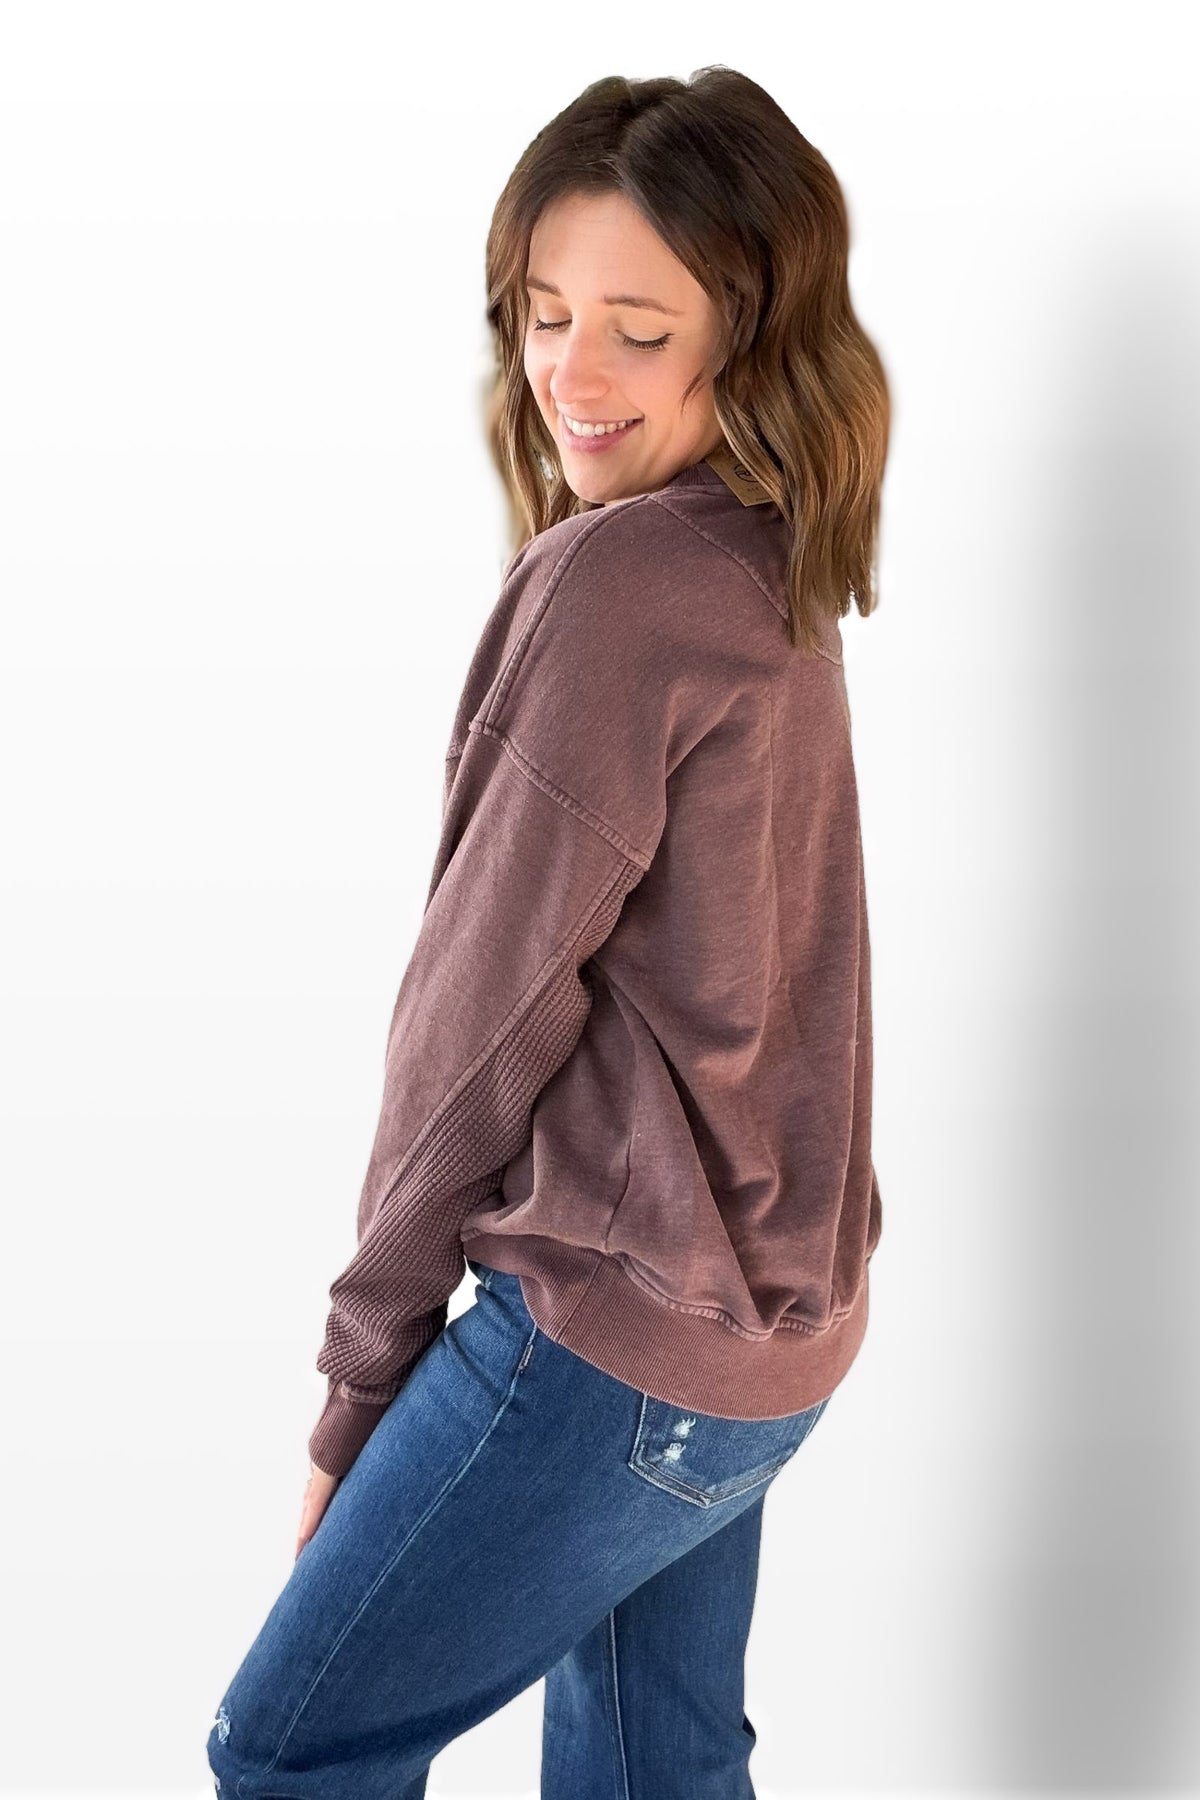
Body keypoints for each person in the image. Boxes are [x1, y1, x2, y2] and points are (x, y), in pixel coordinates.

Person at [207, 63, 890, 1800]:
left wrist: (358, 1397)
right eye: (542, 313)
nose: (571, 378)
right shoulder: (766, 566)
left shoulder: (613, 588)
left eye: (638, 334)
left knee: (290, 1754)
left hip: (601, 1344)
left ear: (753, 341)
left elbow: (474, 1029)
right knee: (657, 1774)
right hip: (767, 1355)